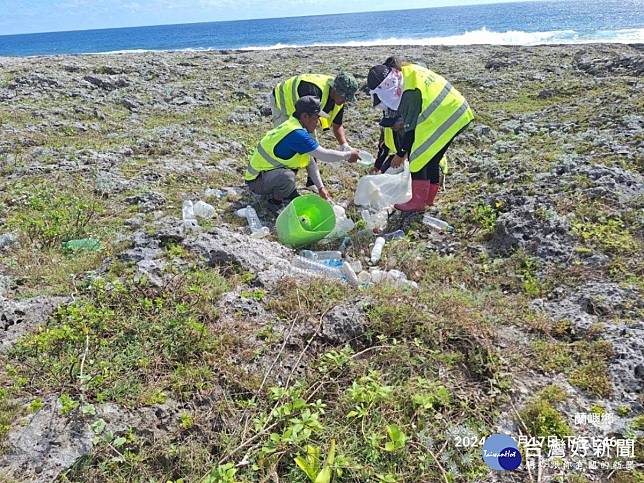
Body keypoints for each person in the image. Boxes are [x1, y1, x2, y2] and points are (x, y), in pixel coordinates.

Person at [367, 57, 474, 212]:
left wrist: (401, 154)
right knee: (432, 159)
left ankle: (417, 202)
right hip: (457, 110)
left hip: (447, 115)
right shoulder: (407, 74)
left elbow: (410, 133)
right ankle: (428, 200)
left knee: (417, 157)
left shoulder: (409, 93)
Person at [245, 96, 360, 205]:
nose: (318, 122)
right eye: (316, 118)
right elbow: (324, 155)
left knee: (288, 177)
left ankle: (284, 190)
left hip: (268, 173)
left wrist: (321, 188)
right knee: (288, 177)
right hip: (256, 180)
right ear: (305, 116)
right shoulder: (297, 134)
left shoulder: (294, 125)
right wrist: (348, 155)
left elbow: (310, 162)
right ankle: (275, 202)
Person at [270, 72, 359, 192]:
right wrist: (346, 156)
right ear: (335, 91)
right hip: (284, 102)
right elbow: (310, 139)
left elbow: (337, 125)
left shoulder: (338, 100)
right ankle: (281, 182)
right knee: (289, 142)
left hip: (304, 110)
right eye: (344, 97)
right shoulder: (313, 91)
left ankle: (311, 183)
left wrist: (344, 146)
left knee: (309, 145)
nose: (345, 101)